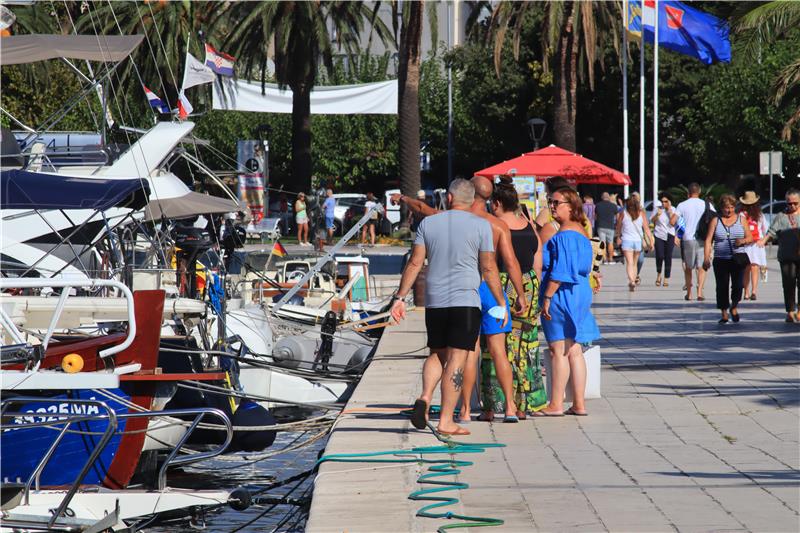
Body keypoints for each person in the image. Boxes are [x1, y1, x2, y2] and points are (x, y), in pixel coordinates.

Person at [399, 177, 527, 424]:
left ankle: (436, 400)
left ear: (449, 198)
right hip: (471, 297)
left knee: (438, 354)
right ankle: (461, 418)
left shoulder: (430, 223)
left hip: (436, 300)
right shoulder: (486, 226)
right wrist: (505, 300)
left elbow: (415, 262)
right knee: (467, 355)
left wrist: (400, 297)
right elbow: (493, 267)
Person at [482, 179, 547, 418]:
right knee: (525, 346)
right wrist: (532, 292)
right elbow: (537, 260)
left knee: (495, 345)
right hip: (528, 286)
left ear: (497, 203)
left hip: (499, 286)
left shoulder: (494, 227)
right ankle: (526, 403)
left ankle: (493, 405)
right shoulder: (529, 224)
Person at [538, 187, 600, 416]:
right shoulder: (581, 232)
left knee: (558, 349)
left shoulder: (564, 235)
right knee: (574, 349)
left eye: (556, 203)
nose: (552, 207)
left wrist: (546, 297)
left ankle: (556, 404)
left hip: (562, 293)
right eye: (550, 202)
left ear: (571, 206)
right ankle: (579, 403)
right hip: (580, 291)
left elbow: (561, 271)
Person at [703, 194, 753, 324]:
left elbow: (750, 238)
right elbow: (708, 240)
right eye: (726, 208)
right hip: (721, 259)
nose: (729, 210)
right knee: (722, 286)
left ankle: (734, 306)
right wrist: (706, 258)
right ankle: (724, 313)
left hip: (737, 259)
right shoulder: (716, 220)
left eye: (731, 207)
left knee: (738, 285)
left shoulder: (741, 220)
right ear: (721, 208)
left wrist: (742, 241)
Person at [759, 189, 800, 322]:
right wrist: (763, 241)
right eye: (789, 203)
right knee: (788, 284)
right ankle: (790, 311)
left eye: (795, 203)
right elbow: (771, 231)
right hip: (787, 256)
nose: (792, 206)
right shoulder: (781, 216)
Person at [672, 182, 712, 301]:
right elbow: (715, 218)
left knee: (688, 267)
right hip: (703, 239)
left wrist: (677, 233)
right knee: (701, 267)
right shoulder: (706, 205)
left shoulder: (682, 205)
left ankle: (689, 293)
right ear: (699, 192)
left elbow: (673, 221)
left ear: (688, 192)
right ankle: (699, 292)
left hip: (687, 239)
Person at [615, 196, 654, 292]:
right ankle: (634, 280)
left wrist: (618, 236)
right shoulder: (641, 214)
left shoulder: (623, 213)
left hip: (626, 240)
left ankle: (632, 281)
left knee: (629, 262)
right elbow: (647, 229)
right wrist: (651, 242)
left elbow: (618, 227)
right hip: (637, 241)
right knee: (635, 263)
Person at [738, 191, 767, 301]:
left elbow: (764, 229)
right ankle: (750, 291)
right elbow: (765, 229)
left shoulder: (742, 214)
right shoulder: (757, 214)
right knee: (751, 267)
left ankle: (750, 292)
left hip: (750, 244)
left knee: (750, 268)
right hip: (752, 244)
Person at [651, 192, 677, 287]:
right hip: (659, 235)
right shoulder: (657, 209)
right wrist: (657, 215)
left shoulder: (674, 209)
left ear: (669, 201)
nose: (663, 203)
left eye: (665, 201)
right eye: (662, 201)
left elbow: (675, 223)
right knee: (660, 256)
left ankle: (666, 278)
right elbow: (652, 221)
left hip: (670, 235)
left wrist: (669, 212)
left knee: (668, 256)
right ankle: (658, 275)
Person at [595, 192, 618, 264]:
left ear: (602, 197)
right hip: (610, 227)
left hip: (601, 226)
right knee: (610, 243)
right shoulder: (613, 206)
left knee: (602, 243)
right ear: (609, 198)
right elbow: (617, 216)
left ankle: (604, 258)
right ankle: (610, 258)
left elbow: (595, 217)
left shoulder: (598, 205)